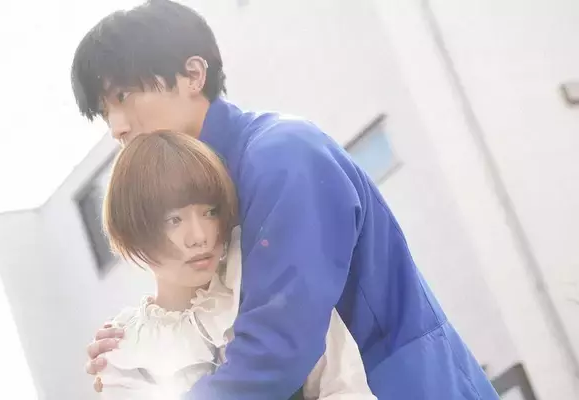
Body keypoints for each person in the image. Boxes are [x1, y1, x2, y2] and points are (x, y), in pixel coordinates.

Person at [71, 1, 499, 398]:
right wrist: (138, 345)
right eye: (105, 112)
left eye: (122, 97)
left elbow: (277, 344)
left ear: (194, 75)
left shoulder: (281, 157)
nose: (117, 127)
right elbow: (222, 328)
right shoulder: (209, 183)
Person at [96, 130, 376, 400]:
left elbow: (347, 387)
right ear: (133, 231)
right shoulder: (125, 351)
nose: (199, 236)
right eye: (174, 220)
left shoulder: (270, 277)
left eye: (209, 212)